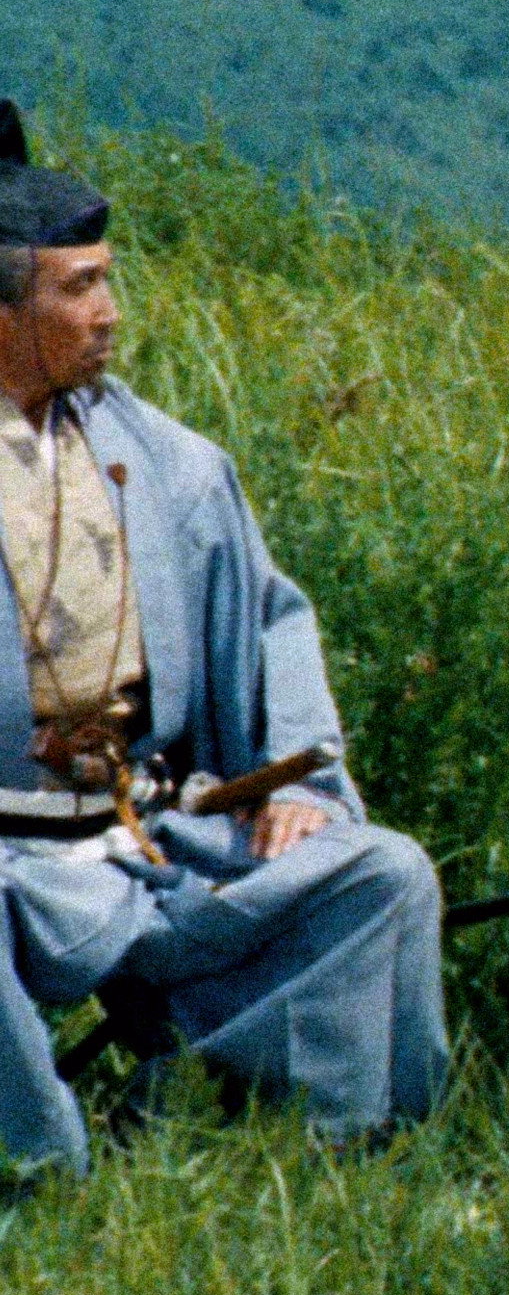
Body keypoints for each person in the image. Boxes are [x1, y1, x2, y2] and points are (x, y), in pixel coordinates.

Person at [0, 99, 447, 1176]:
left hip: (154, 834)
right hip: (7, 860)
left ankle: (239, 1123)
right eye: (79, 287)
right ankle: (38, 1168)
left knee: (382, 875)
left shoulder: (170, 464)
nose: (109, 314)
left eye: (108, 280)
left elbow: (271, 620)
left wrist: (293, 778)